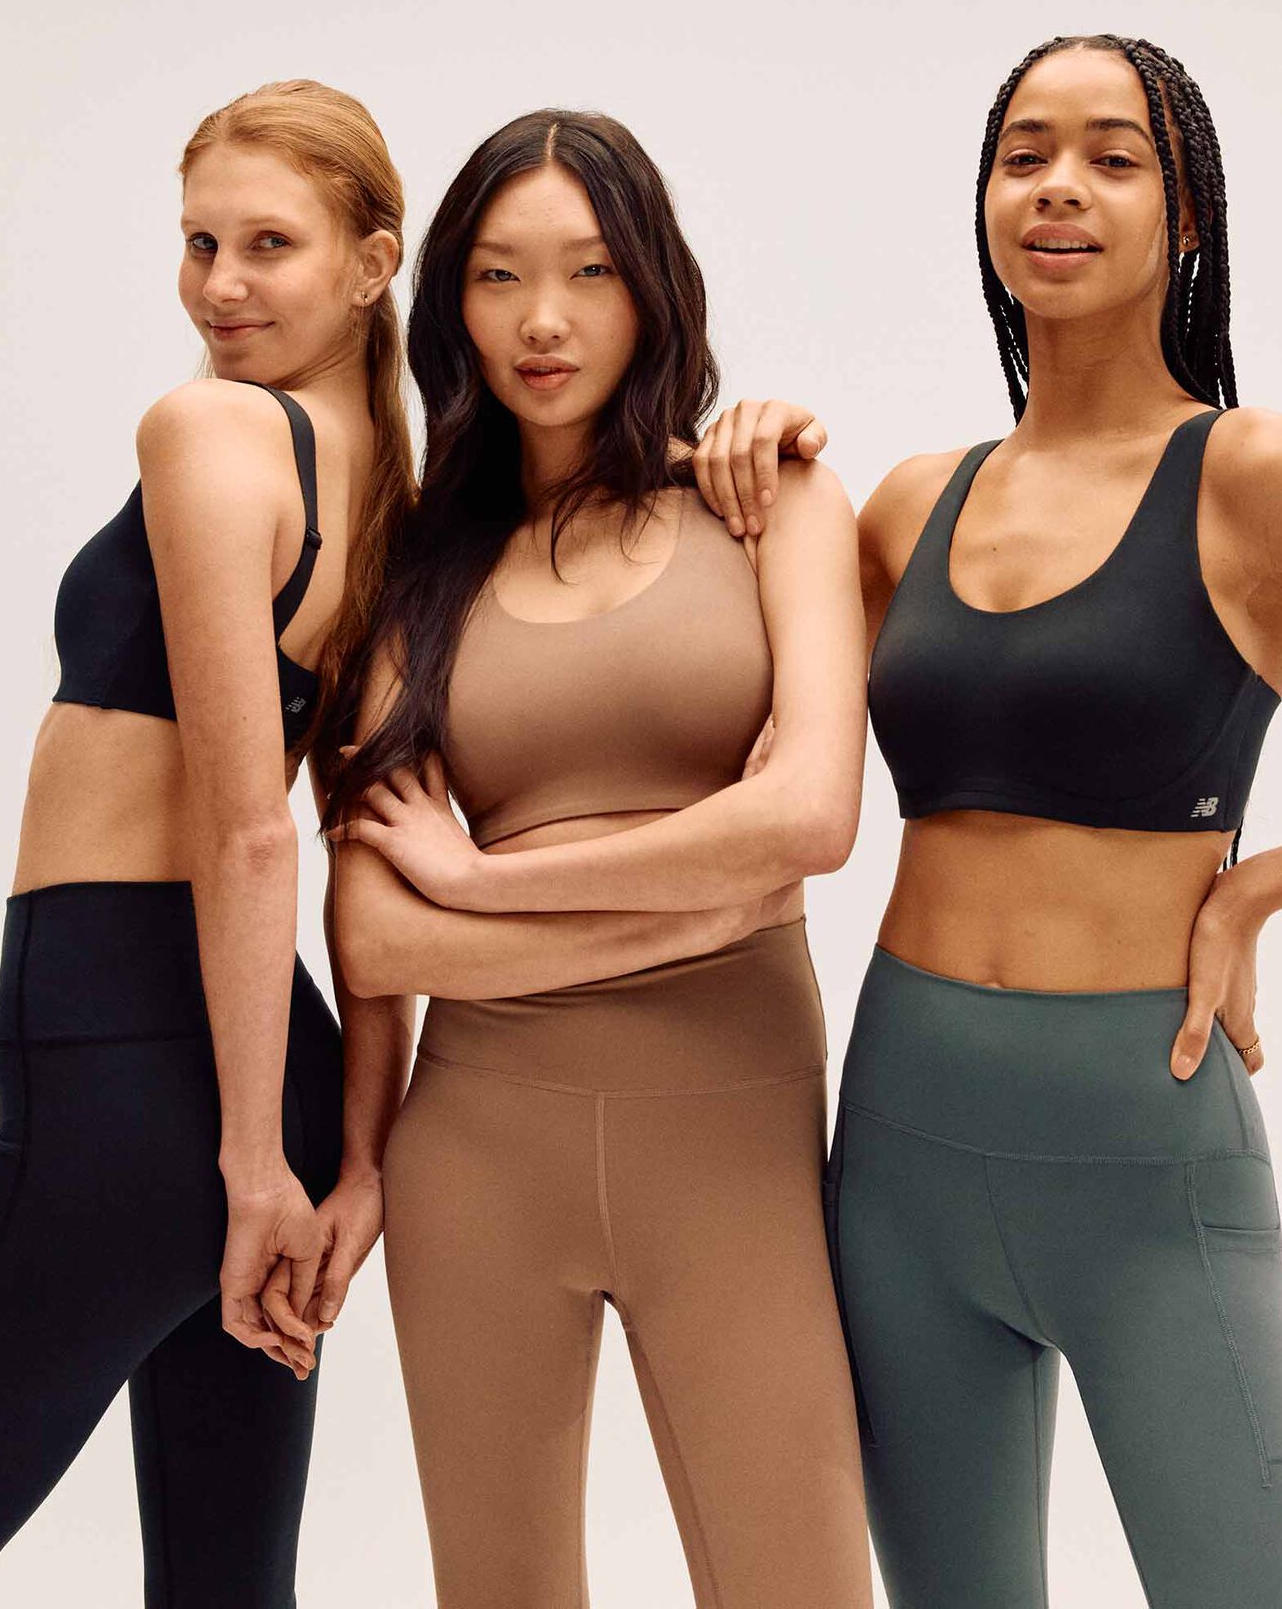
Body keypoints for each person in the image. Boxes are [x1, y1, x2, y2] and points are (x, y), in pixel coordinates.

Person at [698, 32, 1282, 1609]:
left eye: (1114, 157)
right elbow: (742, 753)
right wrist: (748, 463)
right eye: (1025, 153)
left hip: (1145, 1153)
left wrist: (1261, 894)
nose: (1060, 187)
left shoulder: (1257, 474)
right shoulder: (910, 501)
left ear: (1188, 220)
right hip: (899, 1146)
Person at [0, 80, 415, 1608]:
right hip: (258, 1075)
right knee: (227, 1584)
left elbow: (251, 837)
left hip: (134, 1070)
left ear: (373, 264)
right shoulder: (396, 504)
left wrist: (248, 1170)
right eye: (199, 242)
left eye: (270, 245)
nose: (220, 286)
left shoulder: (212, 431)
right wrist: (343, 1151)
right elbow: (373, 869)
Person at [324, 109, 874, 1608]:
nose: (544, 321)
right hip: (480, 1154)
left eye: (589, 272)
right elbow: (378, 939)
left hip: (736, 1137)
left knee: (801, 1581)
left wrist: (489, 885)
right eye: (499, 278)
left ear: (653, 290)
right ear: (452, 308)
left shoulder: (771, 502)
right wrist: (708, 890)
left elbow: (812, 821)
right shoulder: (413, 558)